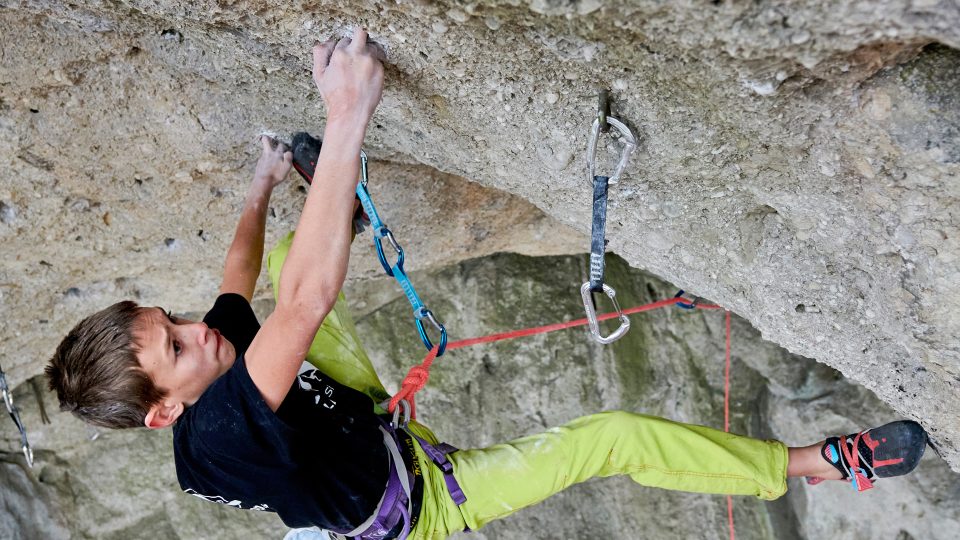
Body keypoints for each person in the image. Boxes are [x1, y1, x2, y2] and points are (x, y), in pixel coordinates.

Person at [45, 28, 929, 540]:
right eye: (177, 346)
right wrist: (346, 114)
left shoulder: (214, 355)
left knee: (280, 272)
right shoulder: (220, 433)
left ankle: (330, 219)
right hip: (421, 501)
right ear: (166, 409)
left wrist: (261, 186)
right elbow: (306, 307)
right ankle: (822, 464)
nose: (198, 331)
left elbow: (240, 280)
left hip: (354, 421)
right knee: (611, 434)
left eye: (173, 321)